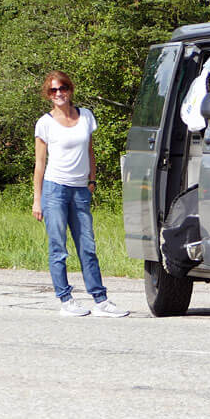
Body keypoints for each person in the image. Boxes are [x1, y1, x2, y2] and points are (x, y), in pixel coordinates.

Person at [32, 71, 129, 318]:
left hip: (79, 189)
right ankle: (65, 299)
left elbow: (90, 151)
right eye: (53, 90)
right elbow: (40, 164)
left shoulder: (85, 116)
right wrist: (37, 200)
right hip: (55, 190)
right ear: (48, 95)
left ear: (70, 89)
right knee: (58, 247)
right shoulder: (45, 123)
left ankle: (101, 300)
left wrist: (92, 179)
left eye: (62, 88)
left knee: (87, 246)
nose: (59, 93)